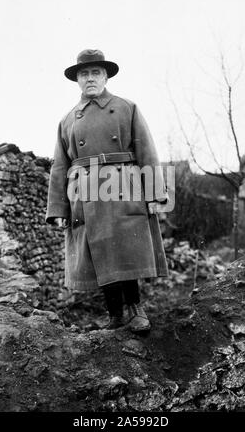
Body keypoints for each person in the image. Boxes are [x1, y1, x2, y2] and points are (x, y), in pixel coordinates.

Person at [46, 49, 169, 332]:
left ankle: (137, 309)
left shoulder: (127, 108)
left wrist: (154, 194)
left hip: (122, 185)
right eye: (84, 74)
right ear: (77, 80)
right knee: (98, 250)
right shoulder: (68, 120)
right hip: (85, 193)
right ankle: (115, 314)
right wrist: (59, 209)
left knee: (126, 246)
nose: (90, 79)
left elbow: (147, 150)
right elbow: (60, 166)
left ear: (105, 76)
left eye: (95, 73)